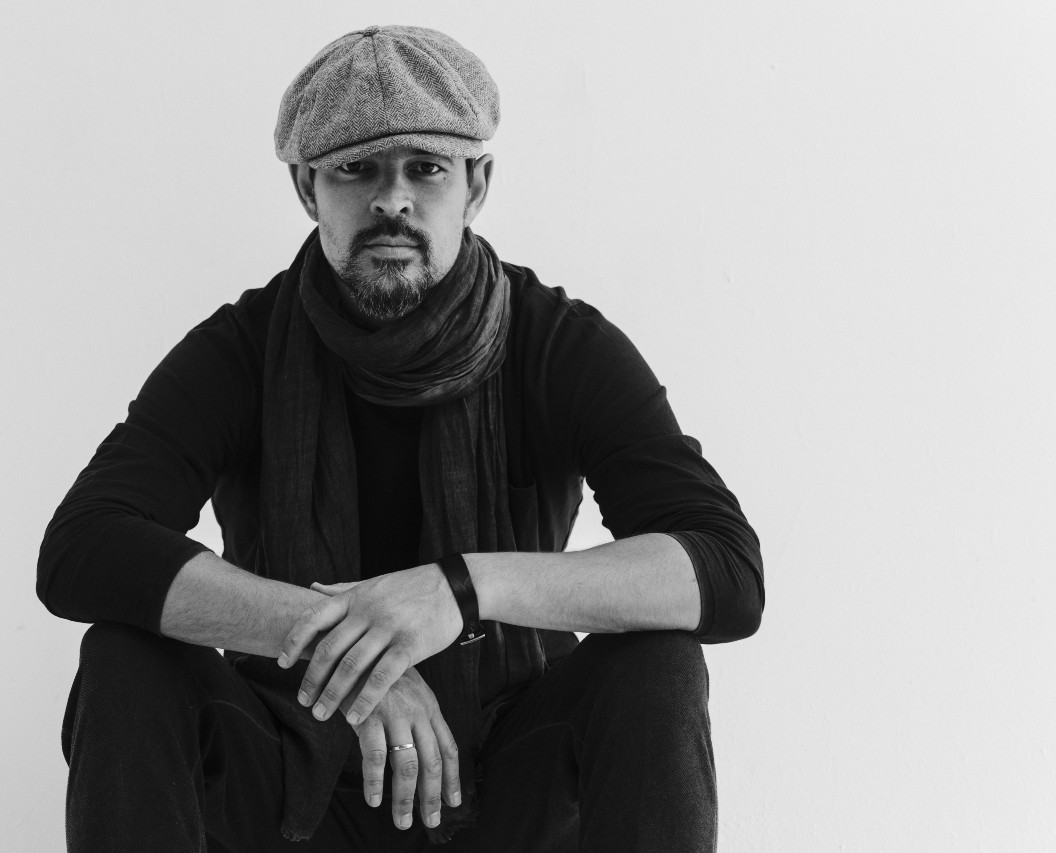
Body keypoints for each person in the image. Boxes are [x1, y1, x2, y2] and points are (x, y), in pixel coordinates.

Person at [38, 24, 763, 853]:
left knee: (658, 668)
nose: (392, 199)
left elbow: (724, 569)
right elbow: (83, 546)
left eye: (426, 167)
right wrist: (347, 647)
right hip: (290, 780)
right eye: (356, 168)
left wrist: (455, 592)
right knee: (124, 657)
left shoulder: (556, 344)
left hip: (502, 787)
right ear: (307, 187)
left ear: (476, 184)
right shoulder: (243, 349)